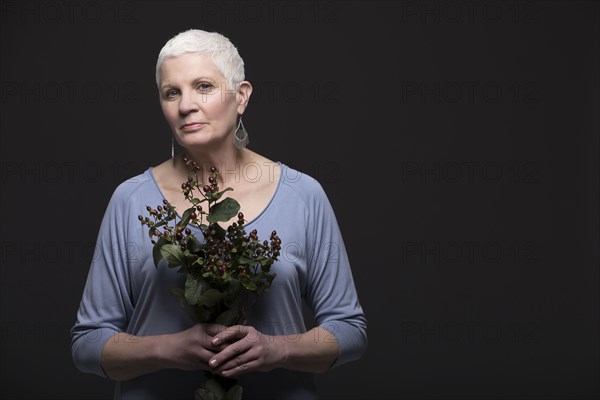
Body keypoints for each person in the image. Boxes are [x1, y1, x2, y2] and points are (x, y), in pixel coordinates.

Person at [70, 29, 367, 400]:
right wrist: (169, 349)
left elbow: (349, 330)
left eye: (204, 86)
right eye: (171, 92)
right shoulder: (130, 200)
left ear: (241, 96)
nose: (185, 105)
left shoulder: (303, 195)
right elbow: (88, 344)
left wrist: (278, 349)